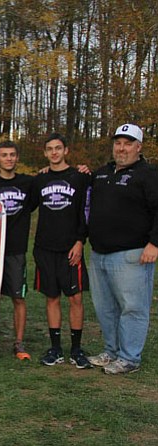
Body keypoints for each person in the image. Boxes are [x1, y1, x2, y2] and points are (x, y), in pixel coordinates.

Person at [87, 124, 158, 374]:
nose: (122, 148)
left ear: (139, 147)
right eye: (118, 142)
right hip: (99, 253)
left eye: (128, 143)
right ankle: (112, 351)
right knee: (105, 307)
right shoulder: (102, 173)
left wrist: (154, 243)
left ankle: (129, 358)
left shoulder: (148, 174)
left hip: (133, 254)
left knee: (132, 307)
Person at [31, 133, 92, 369]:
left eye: (58, 148)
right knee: (52, 297)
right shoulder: (40, 180)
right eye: (49, 149)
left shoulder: (79, 178)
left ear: (66, 150)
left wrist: (80, 241)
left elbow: (85, 211)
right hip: (45, 248)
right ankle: (55, 348)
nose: (54, 152)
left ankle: (76, 349)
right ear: (45, 153)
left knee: (76, 298)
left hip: (70, 248)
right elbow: (25, 206)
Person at [0, 141, 34, 360]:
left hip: (16, 249)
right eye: (4, 155)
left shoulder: (28, 183)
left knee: (18, 297)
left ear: (17, 157)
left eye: (12, 155)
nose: (8, 158)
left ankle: (19, 344)